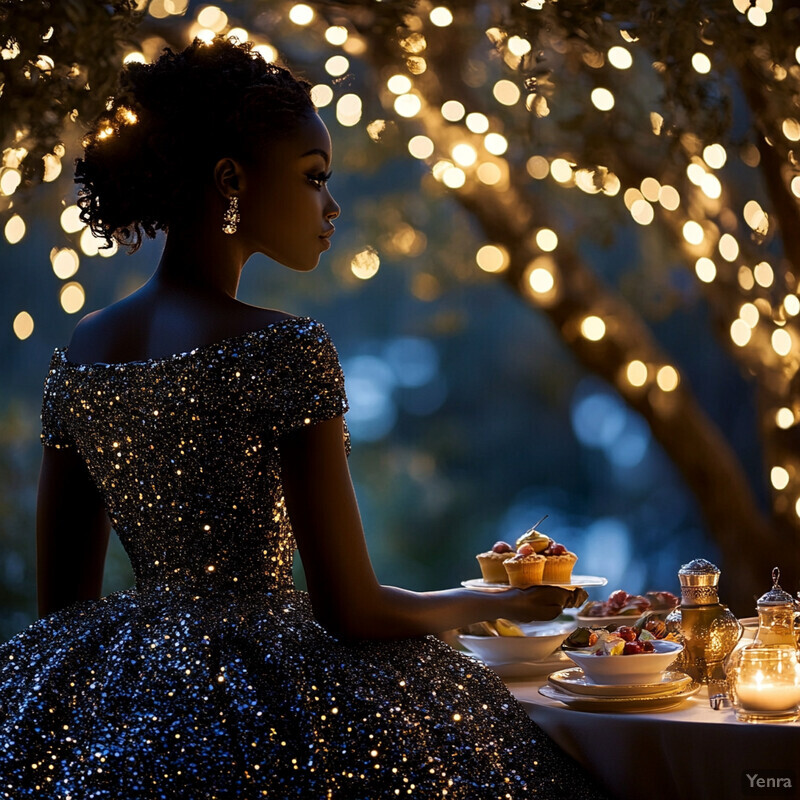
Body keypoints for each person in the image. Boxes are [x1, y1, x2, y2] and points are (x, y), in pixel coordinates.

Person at [0, 38, 607, 798]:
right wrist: (491, 602)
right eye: (314, 179)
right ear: (231, 180)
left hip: (117, 711)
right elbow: (351, 607)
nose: (333, 206)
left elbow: (62, 618)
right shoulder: (283, 349)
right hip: (268, 696)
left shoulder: (83, 352)